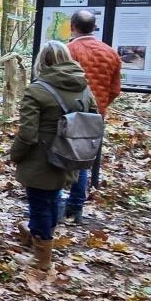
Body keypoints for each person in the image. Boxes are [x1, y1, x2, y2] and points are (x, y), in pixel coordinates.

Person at [10, 40, 96, 271]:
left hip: (42, 157)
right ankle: (41, 236)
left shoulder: (37, 90)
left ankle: (41, 259)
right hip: (70, 154)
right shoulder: (83, 88)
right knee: (54, 197)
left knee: (39, 204)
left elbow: (28, 134)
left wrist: (15, 154)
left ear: (42, 61)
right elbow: (94, 120)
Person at [64, 9, 121, 223]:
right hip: (95, 116)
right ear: (94, 28)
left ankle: (61, 203)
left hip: (68, 111)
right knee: (83, 159)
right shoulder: (110, 53)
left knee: (61, 155)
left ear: (72, 26)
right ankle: (76, 206)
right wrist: (100, 106)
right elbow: (115, 89)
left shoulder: (68, 50)